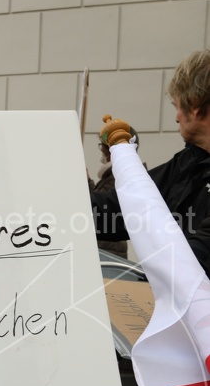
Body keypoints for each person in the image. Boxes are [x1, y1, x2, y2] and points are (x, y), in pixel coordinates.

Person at [91, 48, 210, 278]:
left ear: (194, 105)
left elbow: (195, 259)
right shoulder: (187, 162)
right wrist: (66, 203)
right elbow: (126, 205)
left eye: (177, 106)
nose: (176, 117)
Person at [89, 126, 141, 259]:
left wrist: (86, 183)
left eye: (102, 146)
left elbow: (102, 208)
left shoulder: (120, 176)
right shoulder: (113, 176)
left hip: (108, 252)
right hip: (108, 249)